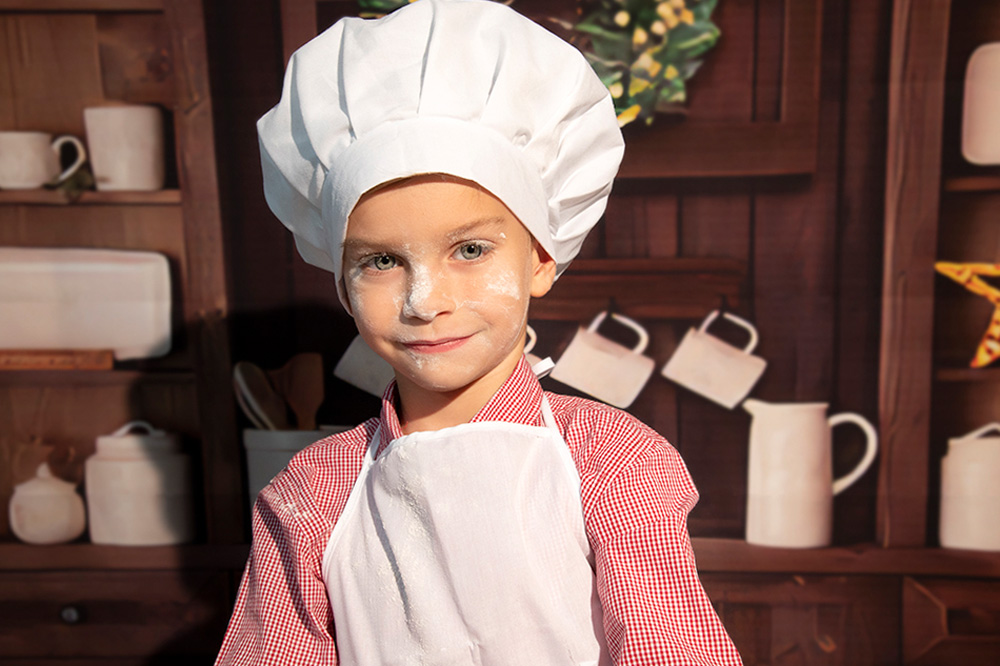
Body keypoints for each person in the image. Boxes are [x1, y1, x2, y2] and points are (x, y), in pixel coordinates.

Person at [216, 0, 743, 664]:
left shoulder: (611, 464)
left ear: (542, 260)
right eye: (381, 261)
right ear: (341, 283)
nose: (425, 301)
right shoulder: (311, 491)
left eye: (469, 251)